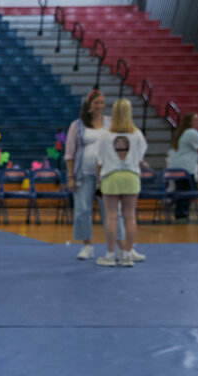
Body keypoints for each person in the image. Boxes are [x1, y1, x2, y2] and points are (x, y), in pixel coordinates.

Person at [65, 90, 131, 261]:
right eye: (96, 103)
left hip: (107, 175)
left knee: (112, 212)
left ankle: (121, 247)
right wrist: (70, 176)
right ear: (89, 105)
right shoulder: (77, 125)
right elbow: (69, 153)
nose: (100, 106)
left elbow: (121, 144)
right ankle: (87, 246)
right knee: (82, 210)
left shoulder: (110, 123)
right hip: (83, 174)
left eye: (102, 102)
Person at [95, 98, 148, 268]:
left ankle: (110, 255)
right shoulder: (137, 134)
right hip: (131, 177)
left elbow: (99, 161)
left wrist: (98, 182)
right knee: (130, 216)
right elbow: (140, 158)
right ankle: (127, 255)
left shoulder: (104, 135)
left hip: (111, 177)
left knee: (111, 217)